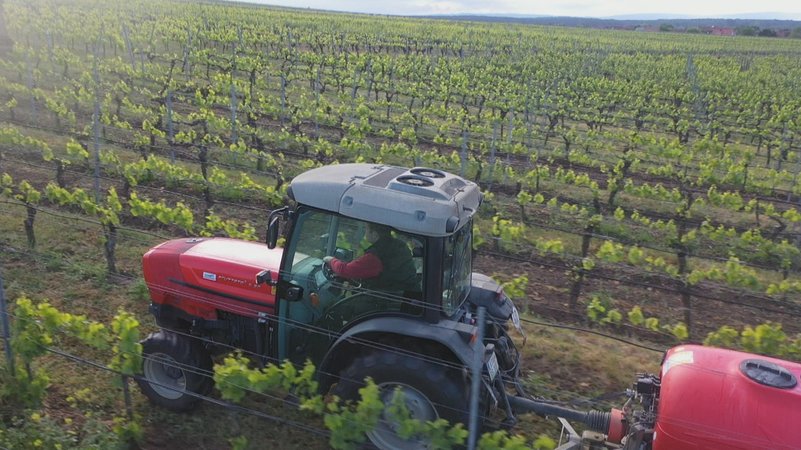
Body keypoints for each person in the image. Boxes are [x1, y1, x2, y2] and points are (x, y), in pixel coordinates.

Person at [323, 223, 418, 293]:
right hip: (403, 294)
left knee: (340, 311)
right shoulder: (398, 245)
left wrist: (330, 260)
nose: (365, 233)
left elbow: (344, 270)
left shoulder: (376, 255)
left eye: (367, 230)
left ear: (375, 234)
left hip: (387, 300)